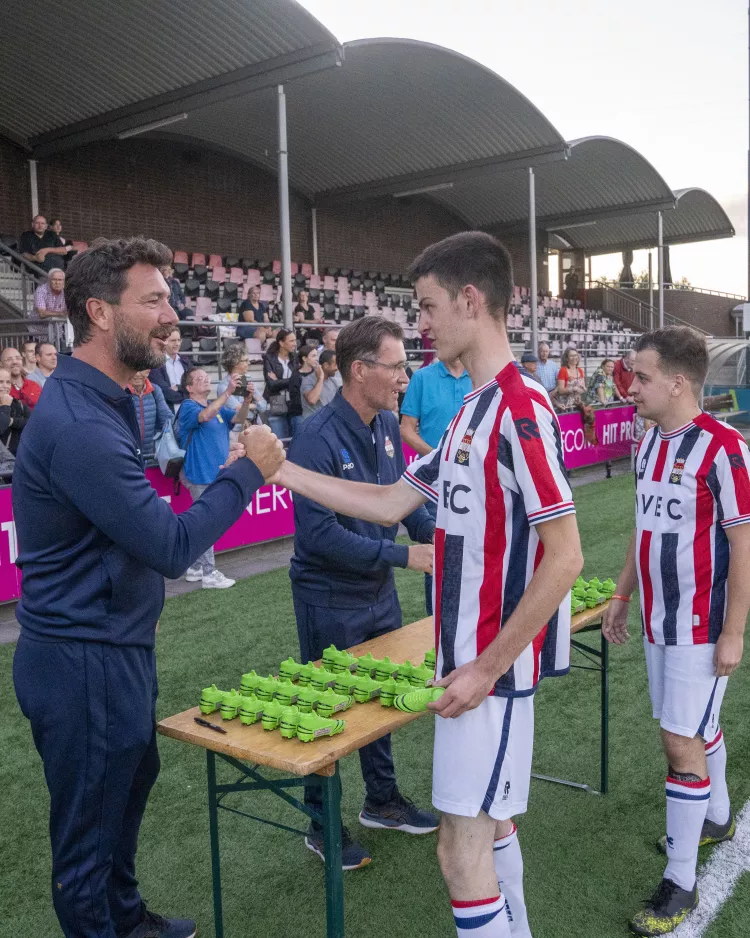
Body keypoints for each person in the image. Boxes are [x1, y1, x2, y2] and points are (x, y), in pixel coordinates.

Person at [275, 232, 583, 937]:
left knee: (458, 849)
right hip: (465, 664)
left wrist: (486, 667)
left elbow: (565, 558)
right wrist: (281, 472)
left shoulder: (520, 408)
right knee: (490, 833)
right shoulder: (472, 413)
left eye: (427, 307)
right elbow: (389, 505)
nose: (421, 326)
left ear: (470, 301)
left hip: (489, 672)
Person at [11, 235, 285, 938]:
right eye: (155, 300)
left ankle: (128, 921)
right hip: (83, 662)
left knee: (123, 798)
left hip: (108, 648)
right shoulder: (77, 419)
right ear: (100, 312)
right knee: (89, 835)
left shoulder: (105, 400)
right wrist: (248, 470)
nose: (173, 314)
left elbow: (117, 538)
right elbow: (167, 545)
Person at [603, 327, 750, 936]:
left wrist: (734, 632)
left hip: (701, 624)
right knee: (694, 726)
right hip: (658, 621)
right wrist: (621, 593)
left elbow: (744, 546)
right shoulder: (647, 445)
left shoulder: (725, 448)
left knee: (678, 741)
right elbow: (646, 530)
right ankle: (716, 816)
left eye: (640, 376)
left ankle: (681, 879)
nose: (631, 387)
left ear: (677, 382)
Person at [288, 316, 439, 870]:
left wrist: (439, 535)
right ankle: (320, 824)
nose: (404, 377)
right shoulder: (315, 437)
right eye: (395, 366)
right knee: (330, 710)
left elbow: (404, 504)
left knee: (380, 702)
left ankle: (383, 801)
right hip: (329, 596)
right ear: (359, 370)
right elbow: (320, 536)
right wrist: (405, 556)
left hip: (376, 592)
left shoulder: (386, 425)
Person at [400, 354, 472, 615]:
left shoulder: (480, 375)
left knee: (476, 551)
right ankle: (436, 626)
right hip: (433, 487)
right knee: (438, 553)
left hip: (475, 482)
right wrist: (437, 458)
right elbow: (406, 428)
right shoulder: (421, 378)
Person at [177, 367, 254, 589]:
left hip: (215, 472)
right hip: (200, 472)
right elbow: (204, 416)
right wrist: (228, 392)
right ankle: (209, 573)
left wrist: (247, 399)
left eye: (206, 377)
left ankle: (195, 567)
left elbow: (239, 417)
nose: (205, 380)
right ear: (189, 388)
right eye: (198, 379)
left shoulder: (217, 407)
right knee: (207, 523)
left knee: (205, 521)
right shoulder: (189, 406)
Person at [127, 369, 173, 461]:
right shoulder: (120, 390)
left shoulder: (155, 390)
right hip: (127, 453)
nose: (138, 374)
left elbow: (167, 418)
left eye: (142, 369)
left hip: (151, 454)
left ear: (148, 371)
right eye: (134, 369)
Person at [216, 342, 268, 420]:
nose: (249, 363)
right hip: (234, 429)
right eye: (246, 360)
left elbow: (264, 406)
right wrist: (254, 405)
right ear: (236, 363)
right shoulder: (223, 387)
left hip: (251, 425)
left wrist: (251, 404)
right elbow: (239, 409)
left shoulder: (248, 381)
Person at [263, 328, 297, 439]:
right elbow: (272, 385)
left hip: (293, 401)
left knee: (294, 438)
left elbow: (299, 380)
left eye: (295, 340)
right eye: (291, 341)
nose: (295, 344)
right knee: (280, 439)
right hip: (276, 399)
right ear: (281, 343)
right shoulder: (269, 358)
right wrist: (292, 380)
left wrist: (279, 380)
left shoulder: (294, 358)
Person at [149, 326, 190, 412]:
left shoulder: (186, 362)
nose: (177, 344)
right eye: (173, 340)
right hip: (170, 415)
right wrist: (189, 394)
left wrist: (178, 387)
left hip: (190, 413)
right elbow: (167, 395)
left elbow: (196, 387)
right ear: (164, 342)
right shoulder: (156, 364)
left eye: (179, 340)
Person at [299, 348, 340, 419]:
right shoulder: (307, 380)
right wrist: (320, 378)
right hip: (313, 424)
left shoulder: (334, 380)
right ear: (326, 365)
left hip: (329, 423)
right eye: (335, 364)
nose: (337, 368)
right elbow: (312, 400)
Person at [0, 365, 29, 454]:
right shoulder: (7, 405)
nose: (5, 386)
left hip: (15, 460)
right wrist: (5, 407)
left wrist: (12, 421)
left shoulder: (17, 404)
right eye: (1, 382)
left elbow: (32, 423)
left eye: (8, 382)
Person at [1, 346, 42, 410]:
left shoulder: (34, 385)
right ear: (1, 364)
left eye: (18, 358)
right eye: (9, 359)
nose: (15, 362)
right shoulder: (2, 389)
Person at [32, 269, 67, 341]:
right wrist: (61, 313)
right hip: (37, 331)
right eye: (54, 279)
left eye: (60, 280)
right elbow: (42, 313)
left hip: (57, 331)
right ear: (49, 280)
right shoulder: (41, 290)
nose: (57, 282)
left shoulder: (67, 292)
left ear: (64, 282)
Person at [554, 346, 586, 411]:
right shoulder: (563, 370)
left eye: (576, 355)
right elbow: (560, 390)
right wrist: (573, 389)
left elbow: (583, 388)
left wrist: (583, 389)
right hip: (564, 406)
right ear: (567, 358)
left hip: (576, 404)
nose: (574, 358)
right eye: (571, 356)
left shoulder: (580, 370)